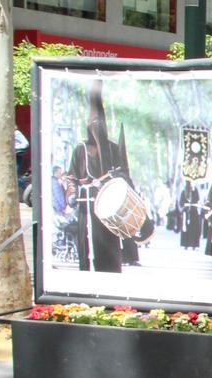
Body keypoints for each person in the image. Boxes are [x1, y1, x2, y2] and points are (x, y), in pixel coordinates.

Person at [66, 81, 127, 273]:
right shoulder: (80, 149)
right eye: (93, 124)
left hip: (109, 208)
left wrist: (114, 178)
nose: (96, 127)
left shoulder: (113, 148)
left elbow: (123, 173)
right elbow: (71, 177)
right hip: (87, 206)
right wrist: (72, 193)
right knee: (88, 245)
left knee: (109, 248)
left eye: (99, 124)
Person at [178, 180, 203, 250]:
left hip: (194, 212)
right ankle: (186, 244)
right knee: (186, 229)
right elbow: (181, 203)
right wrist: (186, 205)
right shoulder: (184, 192)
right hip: (186, 212)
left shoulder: (195, 191)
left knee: (194, 229)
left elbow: (197, 200)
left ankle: (194, 245)